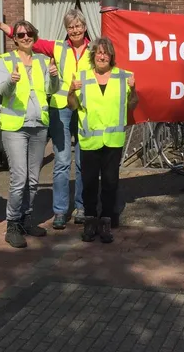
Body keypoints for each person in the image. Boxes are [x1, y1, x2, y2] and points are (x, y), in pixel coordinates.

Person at [0, 10, 90, 229]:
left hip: (85, 109)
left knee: (84, 162)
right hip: (60, 108)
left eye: (78, 26)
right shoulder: (57, 47)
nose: (75, 30)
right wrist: (2, 27)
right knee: (62, 161)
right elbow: (28, 40)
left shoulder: (94, 50)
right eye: (71, 27)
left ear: (84, 27)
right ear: (66, 29)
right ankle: (61, 211)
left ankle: (82, 207)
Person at [0, 20, 60, 248]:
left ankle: (26, 219)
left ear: (35, 36)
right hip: (15, 126)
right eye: (21, 34)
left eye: (29, 33)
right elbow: (2, 91)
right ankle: (12, 224)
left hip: (39, 125)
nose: (25, 37)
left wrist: (53, 76)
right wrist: (12, 82)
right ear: (14, 38)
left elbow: (52, 90)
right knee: (19, 177)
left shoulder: (43, 60)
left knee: (33, 179)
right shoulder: (5, 60)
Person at [67, 37, 137, 243]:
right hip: (89, 140)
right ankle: (90, 220)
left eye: (106, 53)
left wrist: (133, 89)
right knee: (88, 183)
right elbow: (72, 106)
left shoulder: (124, 77)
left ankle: (106, 220)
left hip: (113, 140)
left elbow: (133, 105)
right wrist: (71, 90)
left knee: (110, 182)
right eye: (98, 52)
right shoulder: (82, 77)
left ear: (111, 57)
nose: (102, 56)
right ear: (93, 55)